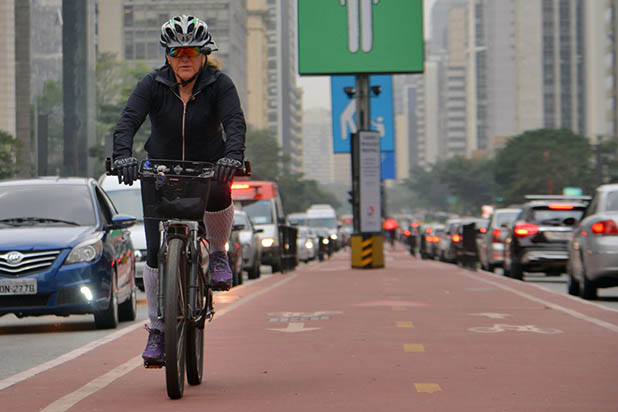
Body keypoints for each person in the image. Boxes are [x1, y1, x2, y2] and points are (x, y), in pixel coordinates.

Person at [112, 15, 246, 366]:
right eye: (176, 51)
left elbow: (234, 122)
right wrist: (123, 157)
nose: (184, 58)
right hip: (160, 170)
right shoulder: (151, 85)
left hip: (207, 168)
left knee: (222, 185)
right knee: (155, 254)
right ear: (167, 55)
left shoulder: (220, 85)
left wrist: (232, 157)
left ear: (203, 53)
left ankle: (217, 254)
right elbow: (128, 121)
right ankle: (158, 329)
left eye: (191, 51)